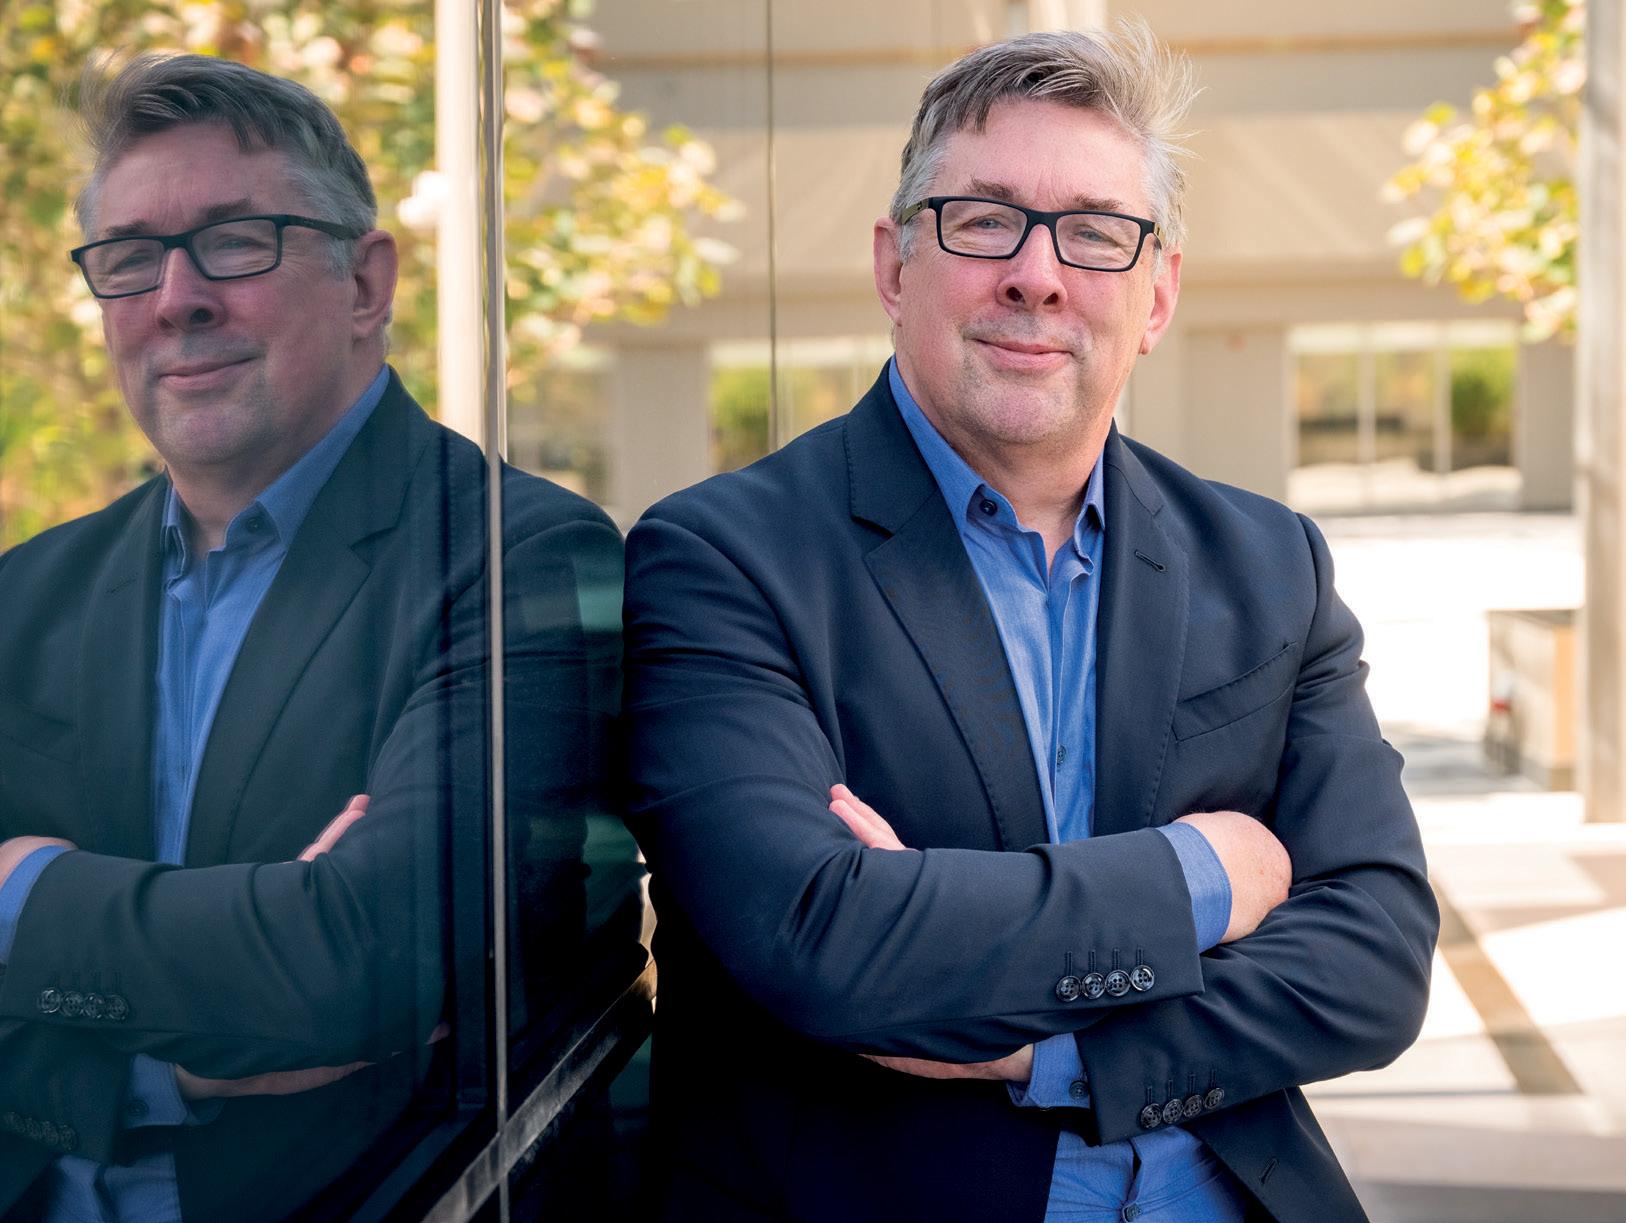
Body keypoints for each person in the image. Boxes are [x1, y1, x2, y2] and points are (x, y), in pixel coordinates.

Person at [622, 23, 1438, 1223]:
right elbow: (824, 935)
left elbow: (1374, 958)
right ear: (895, 265)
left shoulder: (1272, 565)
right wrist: (1209, 870)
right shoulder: (722, 557)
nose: (1038, 275)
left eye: (1096, 232)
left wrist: (1055, 1050)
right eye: (985, 219)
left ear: (1157, 295)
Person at [0, 54, 621, 1221]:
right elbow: (304, 973)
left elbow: (367, 963)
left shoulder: (517, 557)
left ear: (366, 282)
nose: (177, 297)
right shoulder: (24, 595)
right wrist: (152, 1067)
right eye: (129, 257)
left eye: (235, 241)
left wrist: (22, 889)